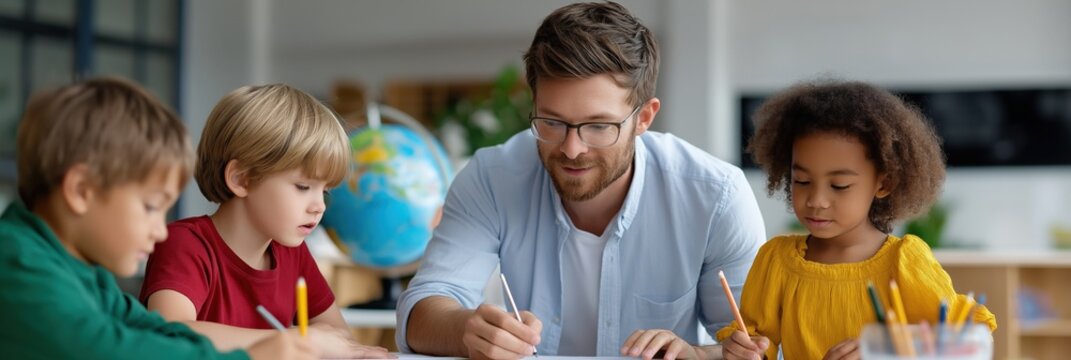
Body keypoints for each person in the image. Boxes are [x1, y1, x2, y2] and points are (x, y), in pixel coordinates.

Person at [397, 2, 766, 360]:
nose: (572, 149)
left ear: (644, 118)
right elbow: (422, 308)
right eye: (552, 122)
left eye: (599, 126)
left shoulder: (716, 196)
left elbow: (758, 346)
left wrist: (697, 355)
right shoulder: (491, 178)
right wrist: (467, 332)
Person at [0, 78, 316, 359]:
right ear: (82, 190)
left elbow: (155, 332)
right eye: (151, 207)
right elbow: (113, 351)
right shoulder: (17, 265)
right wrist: (254, 357)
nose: (161, 232)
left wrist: (278, 345)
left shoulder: (84, 274)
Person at [717, 80, 998, 360]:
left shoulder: (904, 262)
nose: (816, 200)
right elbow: (755, 345)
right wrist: (739, 350)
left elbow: (974, 340)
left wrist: (886, 348)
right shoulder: (776, 261)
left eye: (839, 185)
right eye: (801, 181)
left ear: (884, 183)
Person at [139, 84, 391, 359]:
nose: (319, 206)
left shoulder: (293, 252)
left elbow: (338, 337)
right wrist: (294, 340)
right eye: (303, 186)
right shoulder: (185, 244)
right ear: (241, 179)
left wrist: (313, 342)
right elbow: (172, 334)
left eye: (325, 191)